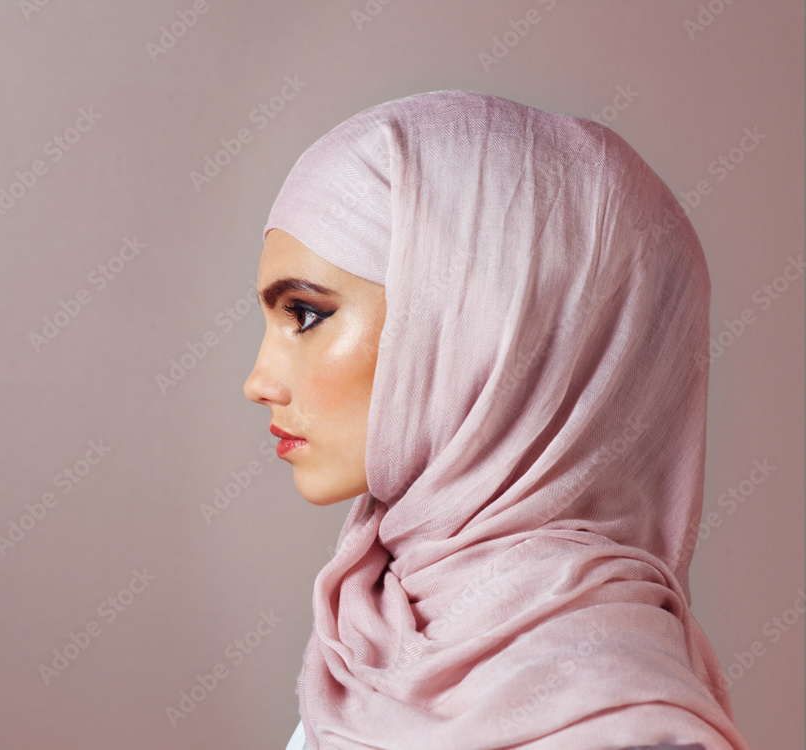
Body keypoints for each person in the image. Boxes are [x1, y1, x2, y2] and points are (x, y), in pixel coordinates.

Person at [243, 90, 750, 750]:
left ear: (487, 334)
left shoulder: (609, 720)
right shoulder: (367, 642)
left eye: (305, 315)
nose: (259, 381)